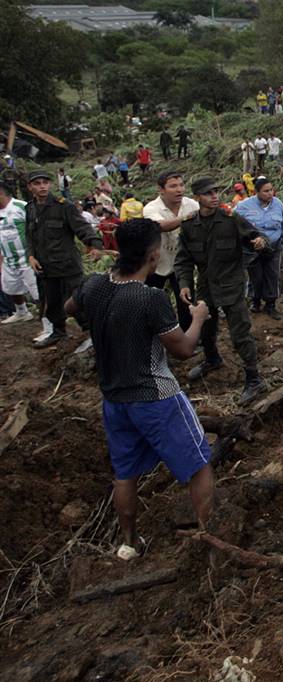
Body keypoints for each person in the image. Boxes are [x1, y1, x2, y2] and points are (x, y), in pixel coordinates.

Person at [65, 219, 214, 561]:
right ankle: (208, 537)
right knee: (199, 464)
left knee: (125, 474)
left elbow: (70, 309)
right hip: (156, 396)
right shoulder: (149, 298)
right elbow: (183, 350)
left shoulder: (95, 285)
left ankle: (129, 543)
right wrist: (199, 318)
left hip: (114, 399)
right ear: (153, 256)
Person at [176, 177, 270, 404]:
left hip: (232, 284)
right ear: (198, 197)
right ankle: (212, 359)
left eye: (216, 191)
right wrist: (184, 283)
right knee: (206, 327)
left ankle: (253, 377)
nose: (215, 196)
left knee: (240, 331)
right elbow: (184, 259)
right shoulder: (189, 225)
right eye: (209, 193)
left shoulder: (231, 219)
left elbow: (258, 237)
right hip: (206, 285)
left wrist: (259, 241)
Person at [26, 170, 105, 348]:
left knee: (77, 301)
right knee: (52, 302)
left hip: (68, 265)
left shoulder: (64, 206)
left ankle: (93, 333)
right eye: (37, 183)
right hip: (45, 266)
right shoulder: (30, 208)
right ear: (30, 187)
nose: (42, 186)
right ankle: (58, 332)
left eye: (45, 183)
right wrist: (30, 255)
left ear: (50, 185)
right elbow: (30, 235)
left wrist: (95, 245)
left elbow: (82, 228)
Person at [142, 171, 200, 332]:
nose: (179, 189)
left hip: (181, 263)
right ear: (161, 189)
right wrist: (187, 218)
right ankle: (151, 332)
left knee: (186, 300)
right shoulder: (152, 208)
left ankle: (187, 335)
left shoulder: (191, 205)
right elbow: (159, 226)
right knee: (150, 300)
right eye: (173, 186)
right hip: (156, 263)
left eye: (181, 185)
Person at [235, 177, 283, 318]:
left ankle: (270, 304)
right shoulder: (244, 205)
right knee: (256, 276)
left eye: (271, 190)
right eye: (266, 191)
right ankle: (255, 301)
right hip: (253, 248)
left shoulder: (278, 205)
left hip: (273, 247)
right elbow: (232, 220)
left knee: (272, 275)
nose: (270, 193)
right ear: (256, 192)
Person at [0, 182, 39, 325]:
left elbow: (37, 227)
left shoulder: (21, 206)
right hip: (8, 259)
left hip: (27, 257)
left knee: (37, 292)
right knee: (12, 288)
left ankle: (49, 323)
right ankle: (22, 312)